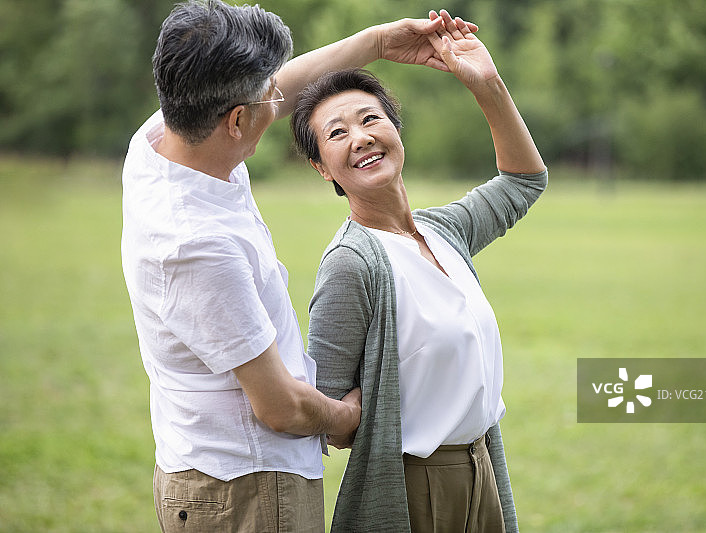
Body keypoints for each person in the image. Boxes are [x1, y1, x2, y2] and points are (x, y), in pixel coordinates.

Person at [120, 2, 476, 531]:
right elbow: (281, 407)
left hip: (225, 476)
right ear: (236, 120)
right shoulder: (196, 245)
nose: (279, 98)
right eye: (267, 96)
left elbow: (282, 83)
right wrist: (350, 416)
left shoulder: (162, 141)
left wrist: (379, 42)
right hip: (249, 490)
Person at [291, 11, 547, 533]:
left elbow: (524, 181)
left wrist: (487, 84)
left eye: (370, 119)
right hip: (415, 490)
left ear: (394, 129)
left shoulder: (443, 231)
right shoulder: (351, 264)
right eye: (337, 133)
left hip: (482, 468)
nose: (360, 138)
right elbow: (328, 413)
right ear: (321, 167)